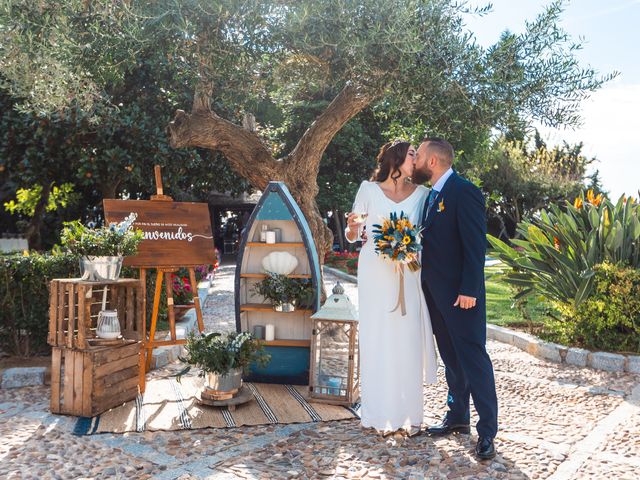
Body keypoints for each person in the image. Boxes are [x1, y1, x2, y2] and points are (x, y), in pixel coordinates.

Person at [413, 137, 498, 460]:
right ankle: (458, 416)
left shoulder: (465, 191)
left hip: (462, 297)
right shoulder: (431, 196)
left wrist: (469, 289)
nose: (415, 160)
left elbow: (476, 246)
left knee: (474, 360)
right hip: (436, 295)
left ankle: (487, 431)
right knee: (451, 359)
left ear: (433, 161)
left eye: (418, 155)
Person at [346, 141, 438, 436]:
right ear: (397, 159)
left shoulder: (424, 195)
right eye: (413, 154)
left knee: (407, 340)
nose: (418, 160)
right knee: (377, 339)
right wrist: (351, 227)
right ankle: (376, 414)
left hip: (409, 273)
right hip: (375, 272)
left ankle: (409, 415)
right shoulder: (368, 189)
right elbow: (353, 234)